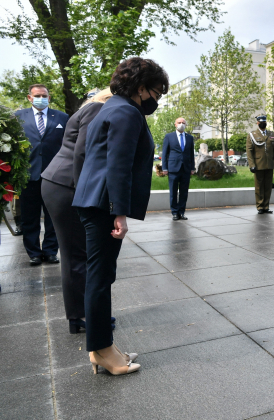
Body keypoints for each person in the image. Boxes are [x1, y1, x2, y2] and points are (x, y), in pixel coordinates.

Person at [72, 57, 169, 376]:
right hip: (103, 205)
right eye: (156, 92)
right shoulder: (128, 112)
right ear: (141, 88)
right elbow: (118, 164)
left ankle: (105, 347)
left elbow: (83, 155)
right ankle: (101, 351)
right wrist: (119, 213)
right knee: (100, 279)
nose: (157, 99)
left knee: (101, 276)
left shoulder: (110, 107)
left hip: (94, 200)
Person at [41, 89, 118, 335]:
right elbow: (82, 154)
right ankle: (80, 316)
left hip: (62, 184)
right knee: (76, 254)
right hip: (67, 186)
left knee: (78, 253)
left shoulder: (90, 108)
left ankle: (83, 312)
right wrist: (84, 194)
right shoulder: (97, 109)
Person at [15, 84, 69, 265]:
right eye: (37, 95)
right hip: (28, 177)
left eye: (44, 95)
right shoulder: (18, 118)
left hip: (54, 176)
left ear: (49, 97)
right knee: (29, 218)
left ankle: (51, 251)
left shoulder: (62, 117)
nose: (41, 98)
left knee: (54, 217)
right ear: (29, 97)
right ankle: (34, 253)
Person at [162, 117, 196, 220]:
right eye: (179, 122)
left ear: (186, 125)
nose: (181, 124)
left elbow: (191, 154)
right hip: (173, 168)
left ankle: (181, 212)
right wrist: (164, 168)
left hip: (186, 169)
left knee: (184, 192)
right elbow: (165, 153)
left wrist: (192, 167)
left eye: (183, 123)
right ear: (175, 124)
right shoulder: (169, 137)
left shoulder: (189, 138)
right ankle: (174, 212)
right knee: (173, 191)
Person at [246, 115, 274, 214]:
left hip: (269, 164)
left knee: (268, 186)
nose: (263, 123)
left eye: (264, 121)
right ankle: (260, 206)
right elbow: (249, 151)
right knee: (259, 187)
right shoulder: (252, 135)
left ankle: (266, 206)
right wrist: (251, 164)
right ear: (257, 123)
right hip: (258, 165)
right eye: (261, 122)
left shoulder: (272, 134)